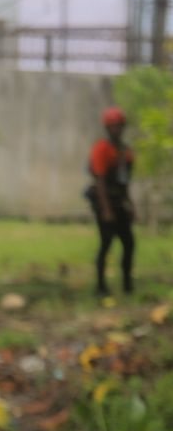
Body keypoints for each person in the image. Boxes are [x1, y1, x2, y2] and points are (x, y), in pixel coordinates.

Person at [88, 105, 135, 298]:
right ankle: (100, 286)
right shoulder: (101, 148)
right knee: (106, 242)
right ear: (107, 128)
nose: (117, 129)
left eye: (119, 125)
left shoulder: (126, 151)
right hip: (103, 202)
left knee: (129, 243)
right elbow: (100, 180)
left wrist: (130, 205)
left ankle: (127, 284)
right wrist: (106, 210)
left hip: (119, 201)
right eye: (113, 125)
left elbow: (125, 183)